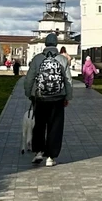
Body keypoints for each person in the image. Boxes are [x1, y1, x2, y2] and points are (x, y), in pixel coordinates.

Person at [23, 31, 72, 167]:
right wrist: (68, 96)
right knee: (55, 126)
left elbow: (29, 79)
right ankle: (51, 156)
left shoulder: (37, 58)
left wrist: (29, 93)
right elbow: (68, 80)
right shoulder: (62, 59)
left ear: (45, 44)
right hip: (57, 98)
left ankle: (38, 152)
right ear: (56, 44)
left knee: (39, 125)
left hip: (40, 97)